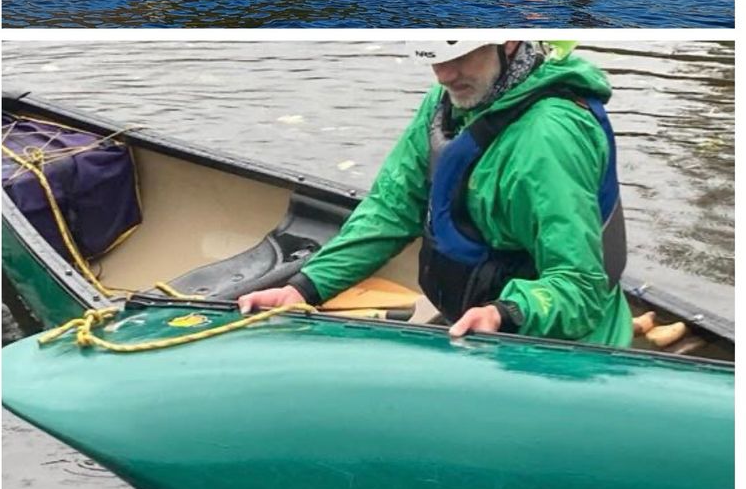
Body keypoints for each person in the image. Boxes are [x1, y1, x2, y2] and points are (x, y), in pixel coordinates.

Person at [239, 40, 632, 347]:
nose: (444, 74)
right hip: (478, 327)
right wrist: (304, 287)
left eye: (460, 56)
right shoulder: (448, 102)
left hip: (557, 347)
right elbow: (391, 209)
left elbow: (580, 286)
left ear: (509, 42)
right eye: (434, 58)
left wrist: (504, 313)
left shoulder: (550, 138)